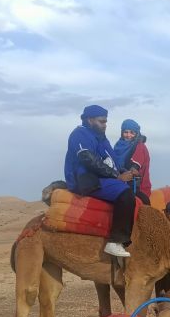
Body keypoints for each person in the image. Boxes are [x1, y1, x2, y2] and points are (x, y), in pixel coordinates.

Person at [63, 105, 136, 258]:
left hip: (101, 176)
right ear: (90, 120)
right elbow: (89, 160)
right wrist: (117, 176)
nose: (105, 125)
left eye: (105, 122)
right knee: (126, 194)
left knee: (141, 197)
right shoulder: (80, 134)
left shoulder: (101, 137)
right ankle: (115, 241)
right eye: (101, 121)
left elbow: (112, 161)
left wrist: (123, 171)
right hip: (86, 179)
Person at [111, 119, 152, 204]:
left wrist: (127, 174)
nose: (128, 135)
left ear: (136, 133)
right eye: (125, 132)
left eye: (132, 132)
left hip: (134, 184)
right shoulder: (118, 146)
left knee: (143, 204)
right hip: (118, 179)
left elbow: (134, 168)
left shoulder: (140, 147)